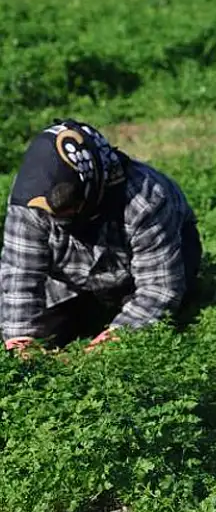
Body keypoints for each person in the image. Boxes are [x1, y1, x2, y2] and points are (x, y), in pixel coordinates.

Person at [1, 119, 202, 354]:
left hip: (139, 275)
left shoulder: (145, 200)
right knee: (29, 329)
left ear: (91, 186)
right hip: (73, 281)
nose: (58, 217)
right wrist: (23, 342)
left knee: (152, 337)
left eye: (68, 207)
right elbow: (19, 275)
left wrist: (109, 345)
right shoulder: (30, 199)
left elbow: (159, 289)